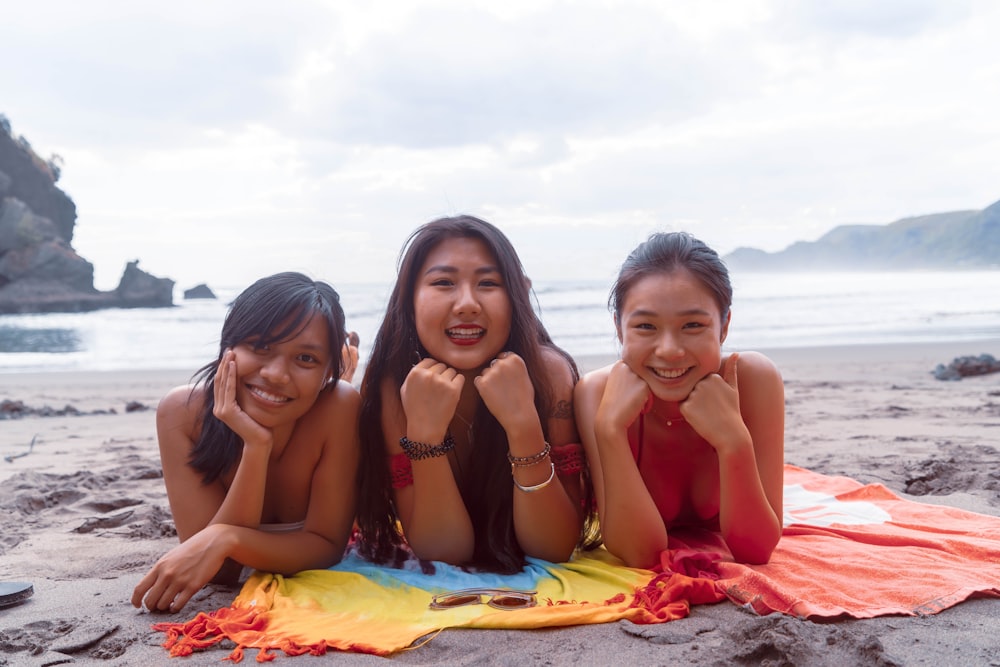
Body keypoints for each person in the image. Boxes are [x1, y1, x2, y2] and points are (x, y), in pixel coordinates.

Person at [355, 215, 591, 573]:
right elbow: (445, 551)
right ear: (409, 299)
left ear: (517, 296)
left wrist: (523, 425)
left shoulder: (549, 375)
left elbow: (553, 548)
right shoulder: (394, 386)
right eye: (444, 282)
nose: (467, 303)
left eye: (488, 283)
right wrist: (425, 437)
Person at [132, 272, 360, 613]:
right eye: (260, 347)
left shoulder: (339, 408)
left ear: (327, 371)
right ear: (229, 346)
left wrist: (227, 538)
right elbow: (222, 572)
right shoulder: (181, 413)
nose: (275, 374)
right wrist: (255, 446)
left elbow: (326, 546)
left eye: (306, 359)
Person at [575, 232, 783, 569]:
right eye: (645, 326)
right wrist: (610, 430)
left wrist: (733, 440)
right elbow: (641, 554)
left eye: (692, 325)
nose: (669, 350)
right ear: (619, 328)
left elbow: (756, 551)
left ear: (724, 326)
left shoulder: (753, 380)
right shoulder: (597, 394)